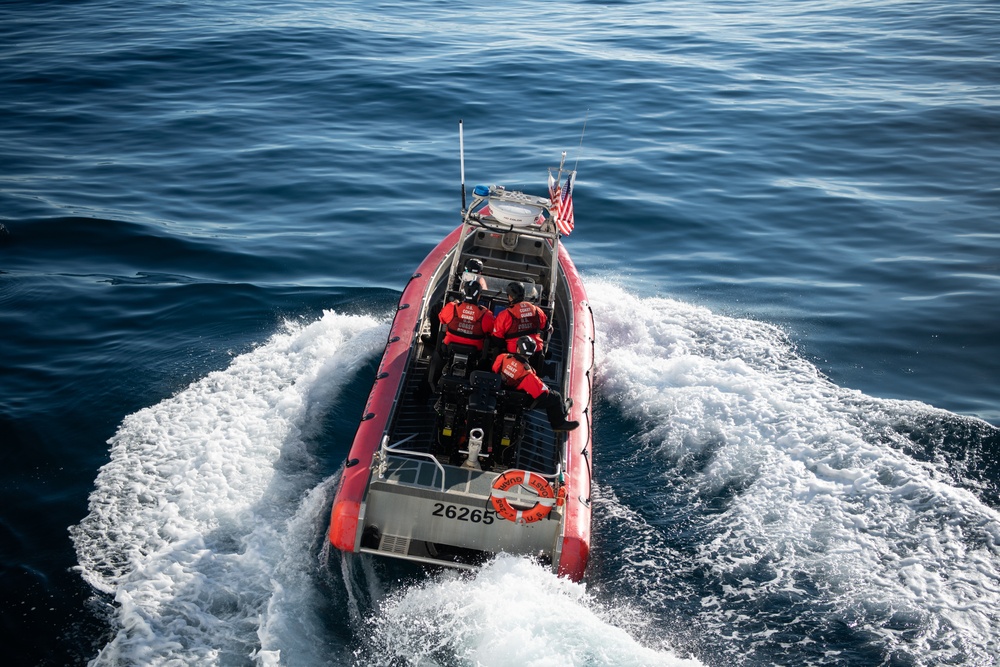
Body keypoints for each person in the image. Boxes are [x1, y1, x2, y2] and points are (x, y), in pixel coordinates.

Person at [492, 336, 579, 432]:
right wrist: (546, 388)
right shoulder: (527, 373)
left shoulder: (503, 357)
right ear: (532, 353)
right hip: (518, 399)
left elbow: (494, 370)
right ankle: (558, 424)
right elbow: (542, 394)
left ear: (518, 348)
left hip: (499, 394)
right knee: (556, 397)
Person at [425, 280, 495, 395]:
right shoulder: (486, 315)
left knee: (435, 360)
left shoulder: (452, 308)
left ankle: (423, 393)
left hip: (448, 349)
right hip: (475, 352)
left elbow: (441, 318)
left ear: (463, 293)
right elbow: (492, 331)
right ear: (479, 296)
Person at [492, 281, 549, 370]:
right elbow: (547, 328)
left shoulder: (505, 315)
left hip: (514, 354)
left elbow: (497, 338)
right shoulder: (537, 310)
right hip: (536, 353)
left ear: (509, 297)